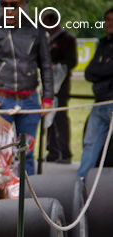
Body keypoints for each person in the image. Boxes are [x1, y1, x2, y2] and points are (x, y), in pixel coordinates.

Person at [0, 0, 53, 175]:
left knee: (27, 153)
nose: (9, 10)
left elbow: (46, 65)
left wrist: (48, 97)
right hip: (1, 99)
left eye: (14, 5)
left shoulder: (36, 30)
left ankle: (26, 191)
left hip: (30, 99)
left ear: (23, 5)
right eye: (5, 4)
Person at [77, 7, 113, 179]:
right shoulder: (103, 44)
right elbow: (89, 72)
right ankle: (81, 185)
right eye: (107, 19)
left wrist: (102, 70)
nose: (109, 23)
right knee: (90, 144)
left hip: (111, 101)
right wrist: (104, 70)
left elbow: (104, 69)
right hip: (99, 102)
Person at [43, 11, 77, 164]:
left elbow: (72, 61)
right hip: (48, 85)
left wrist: (55, 66)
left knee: (60, 117)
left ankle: (64, 152)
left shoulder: (67, 39)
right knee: (48, 117)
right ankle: (52, 151)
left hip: (61, 86)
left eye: (47, 24)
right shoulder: (47, 39)